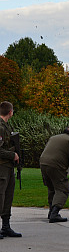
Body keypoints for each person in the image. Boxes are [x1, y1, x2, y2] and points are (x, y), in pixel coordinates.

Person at [39, 126, 69, 223]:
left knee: (52, 188)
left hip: (43, 163)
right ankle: (54, 213)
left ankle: (51, 211)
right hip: (56, 165)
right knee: (63, 189)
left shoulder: (53, 137)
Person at [0, 101, 22, 238]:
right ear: (10, 112)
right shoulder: (0, 128)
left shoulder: (6, 126)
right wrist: (12, 154)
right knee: (0, 196)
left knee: (7, 197)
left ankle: (6, 226)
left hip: (8, 167)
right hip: (2, 166)